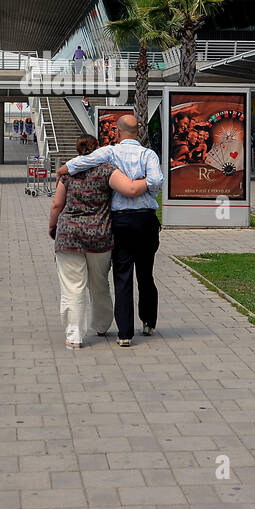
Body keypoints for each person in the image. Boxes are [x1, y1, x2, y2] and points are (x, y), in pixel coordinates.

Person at [57, 113, 163, 347]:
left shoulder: (110, 152)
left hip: (121, 221)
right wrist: (140, 185)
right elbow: (157, 180)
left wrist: (64, 168)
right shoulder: (149, 155)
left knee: (122, 276)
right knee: (146, 274)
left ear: (117, 132)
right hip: (146, 220)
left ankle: (125, 333)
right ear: (139, 133)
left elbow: (83, 162)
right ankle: (148, 321)